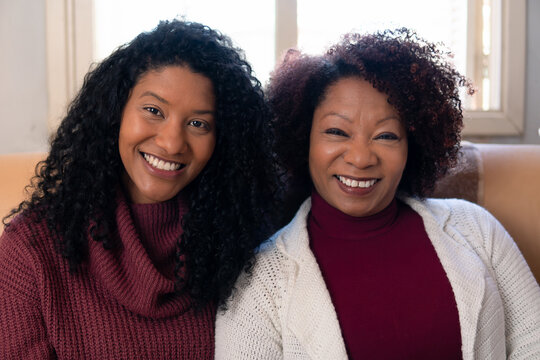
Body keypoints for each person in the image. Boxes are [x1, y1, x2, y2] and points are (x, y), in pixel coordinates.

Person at [215, 28, 540, 359]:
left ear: (411, 146)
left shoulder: (477, 229)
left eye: (385, 136)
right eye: (337, 132)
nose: (360, 158)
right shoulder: (260, 280)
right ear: (303, 139)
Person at [0, 19, 279, 359]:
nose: (172, 142)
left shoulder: (244, 244)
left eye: (198, 124)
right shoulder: (31, 250)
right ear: (116, 111)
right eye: (153, 110)